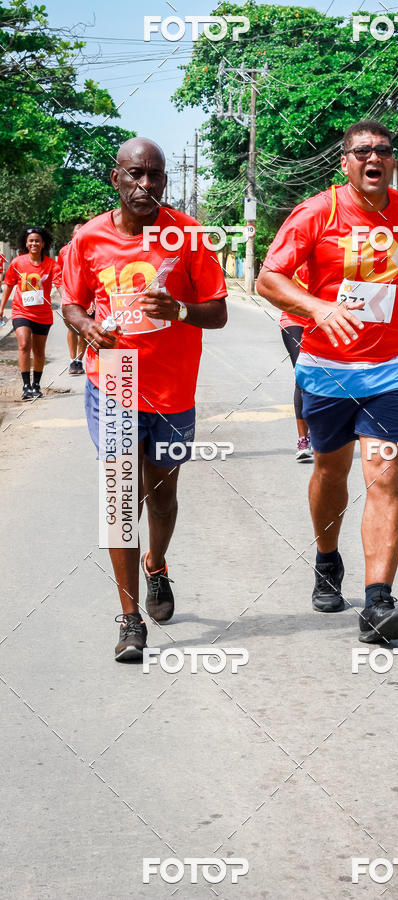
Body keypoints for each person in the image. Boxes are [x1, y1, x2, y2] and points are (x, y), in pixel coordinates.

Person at [257, 119, 398, 643]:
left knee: (384, 474)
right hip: (328, 367)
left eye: (381, 150)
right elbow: (269, 278)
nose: (372, 159)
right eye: (361, 152)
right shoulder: (318, 212)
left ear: (392, 160)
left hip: (395, 365)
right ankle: (327, 557)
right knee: (332, 475)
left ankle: (379, 603)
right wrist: (317, 306)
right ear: (345, 162)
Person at [62, 137, 228, 661]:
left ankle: (156, 564)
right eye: (134, 174)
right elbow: (70, 303)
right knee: (121, 500)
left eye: (155, 175)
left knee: (161, 497)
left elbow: (218, 312)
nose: (145, 185)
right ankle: (130, 618)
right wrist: (87, 325)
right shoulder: (88, 239)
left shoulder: (189, 237)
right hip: (114, 379)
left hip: (173, 390)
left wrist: (178, 309)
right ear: (116, 178)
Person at [0, 226, 62, 400]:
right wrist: (1, 307)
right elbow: (9, 285)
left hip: (43, 314)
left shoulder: (51, 265)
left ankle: (36, 384)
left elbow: (59, 284)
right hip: (21, 311)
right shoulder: (18, 263)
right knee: (24, 344)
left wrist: (66, 303)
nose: (34, 243)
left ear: (43, 244)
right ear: (26, 244)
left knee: (39, 351)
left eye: (37, 241)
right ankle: (26, 386)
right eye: (31, 241)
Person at [280, 264, 313, 462]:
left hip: (324, 320)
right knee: (302, 375)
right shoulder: (294, 255)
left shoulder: (339, 248)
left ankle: (321, 433)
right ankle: (303, 439)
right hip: (295, 320)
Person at [58, 224, 87, 374]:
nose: (78, 236)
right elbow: (59, 274)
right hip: (70, 296)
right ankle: (71, 360)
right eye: (76, 234)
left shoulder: (90, 249)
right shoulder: (64, 252)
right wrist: (62, 293)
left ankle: (79, 361)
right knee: (72, 328)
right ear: (72, 237)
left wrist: (94, 300)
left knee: (83, 330)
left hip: (87, 297)